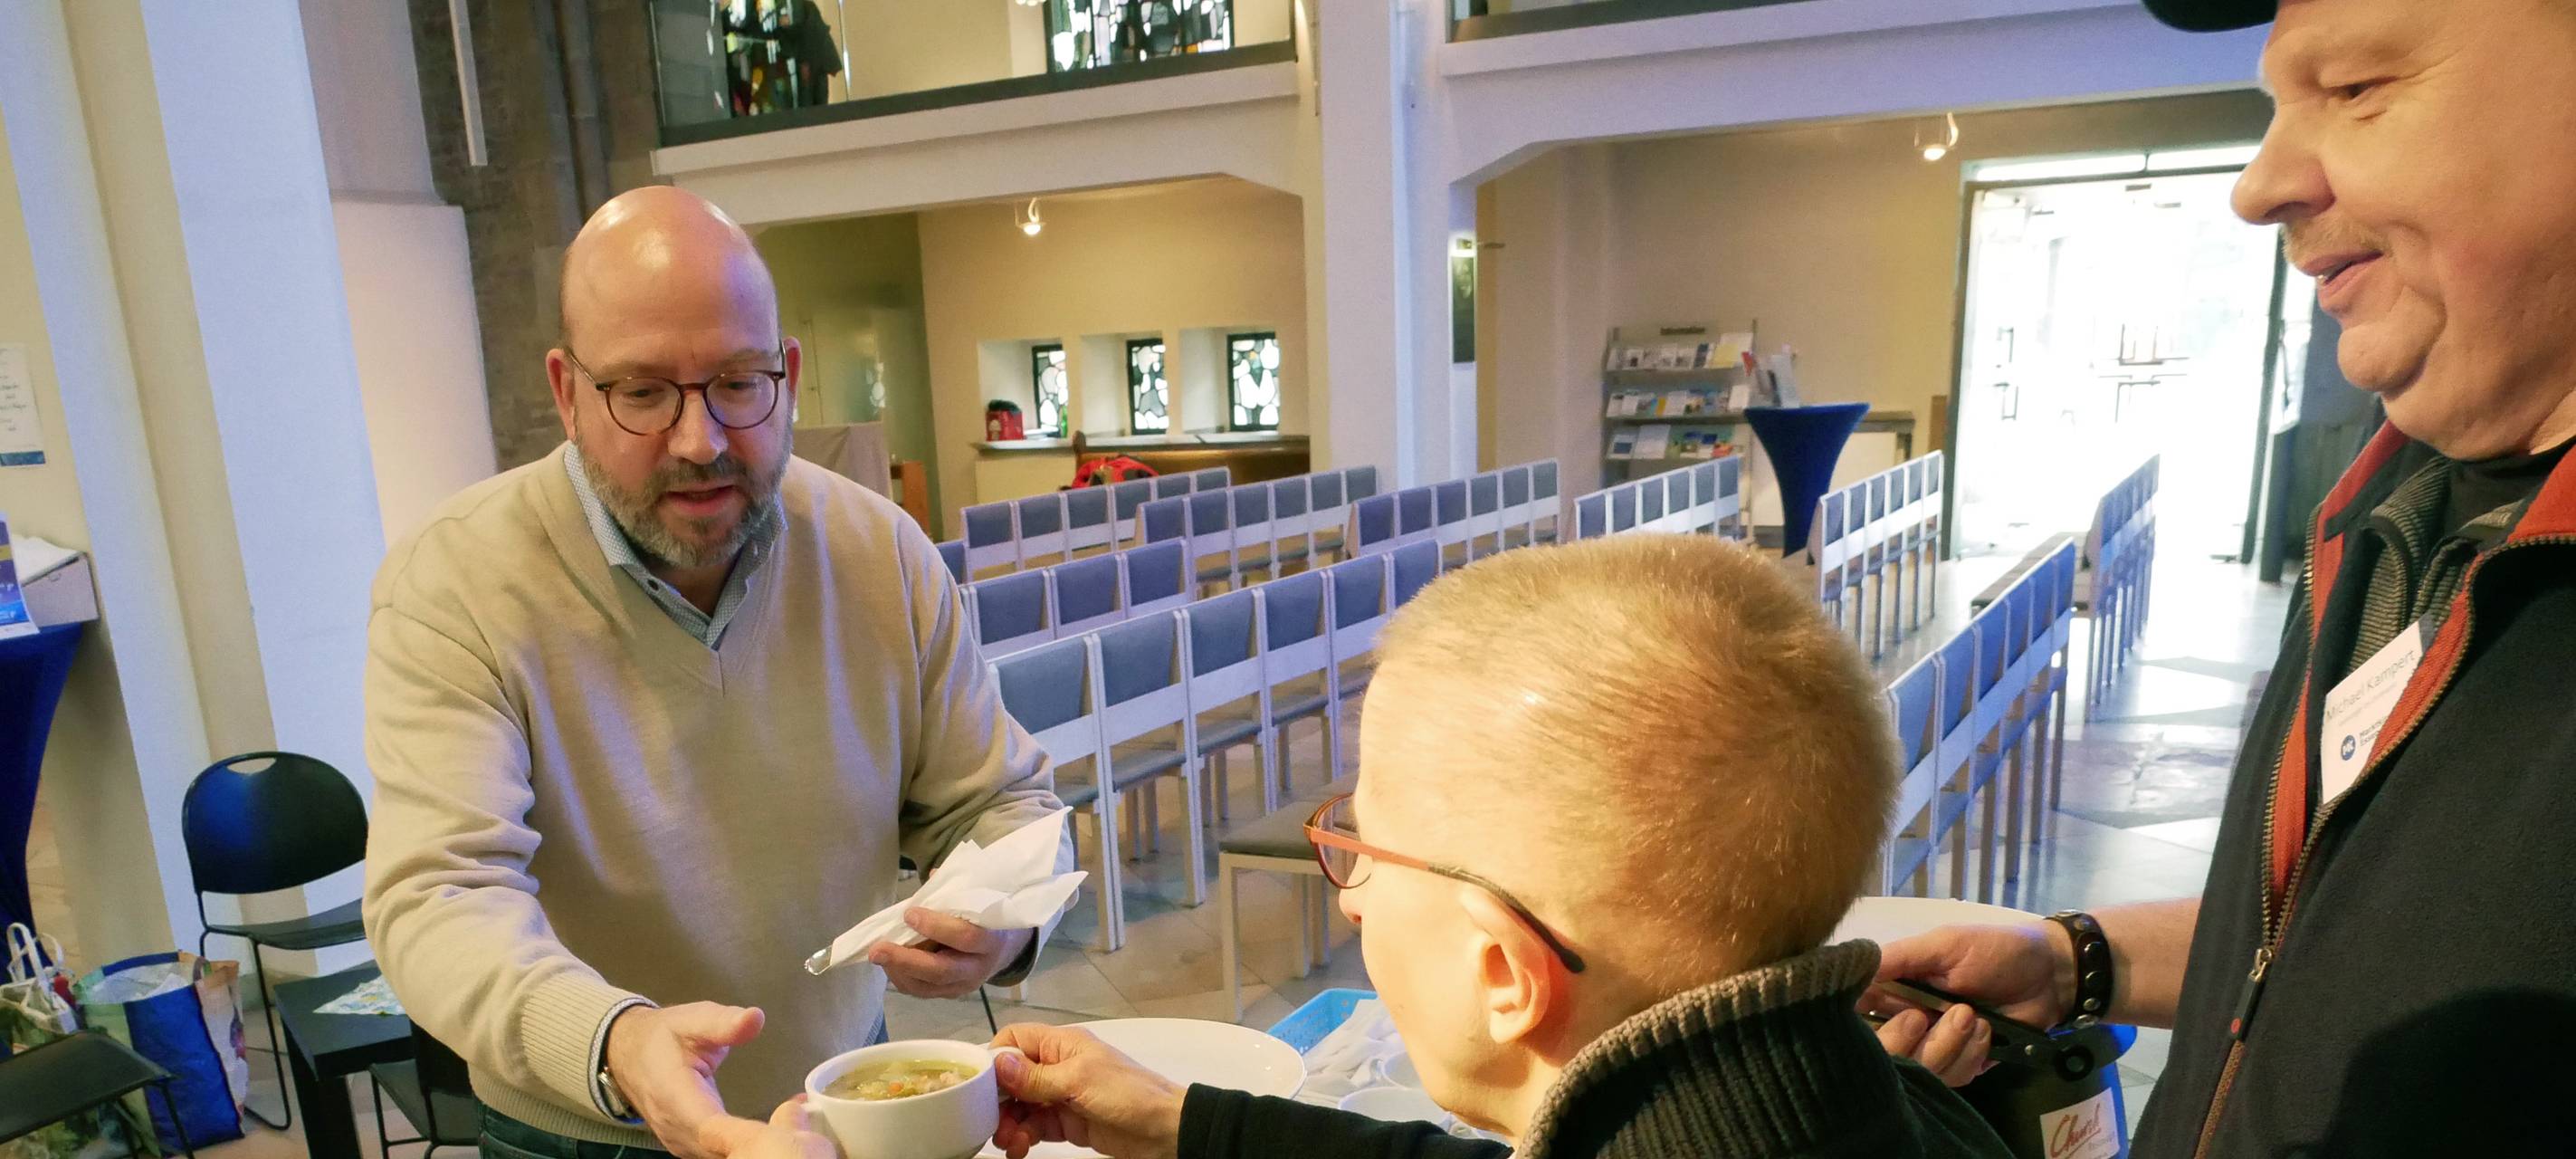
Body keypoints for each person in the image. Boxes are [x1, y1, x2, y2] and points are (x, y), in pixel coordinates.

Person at [1873, 0, 2576, 1154]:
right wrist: (2070, 960)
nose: (2258, 186)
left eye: (2353, 88)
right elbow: (2344, 936)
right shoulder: (2395, 506)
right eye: (2272, 108)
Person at [713, 536, 2011, 1158]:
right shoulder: (1876, 1104)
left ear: (1505, 973)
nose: (1347, 898)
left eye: (1363, 846)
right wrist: (1178, 1123)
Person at [361, 186, 1072, 1159]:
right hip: (580, 1124)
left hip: (840, 1095)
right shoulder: (454, 579)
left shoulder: (880, 551)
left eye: (737, 383)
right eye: (643, 392)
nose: (698, 441)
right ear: (567, 392)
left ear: (786, 372)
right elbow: (436, 894)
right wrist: (614, 1041)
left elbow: (1006, 801)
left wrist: (1002, 922)